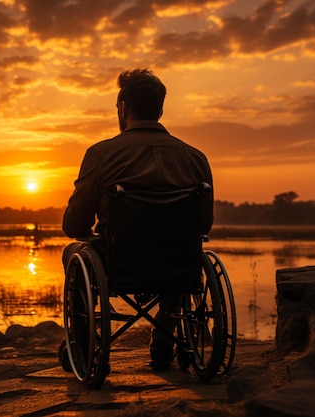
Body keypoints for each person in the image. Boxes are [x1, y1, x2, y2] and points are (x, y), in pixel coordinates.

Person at [61, 68, 214, 371]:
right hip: (177, 265)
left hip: (119, 262)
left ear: (122, 108)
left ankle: (84, 347)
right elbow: (203, 226)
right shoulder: (195, 158)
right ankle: (164, 343)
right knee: (183, 252)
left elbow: (73, 225)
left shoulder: (101, 154)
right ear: (160, 109)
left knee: (73, 254)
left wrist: (88, 235)